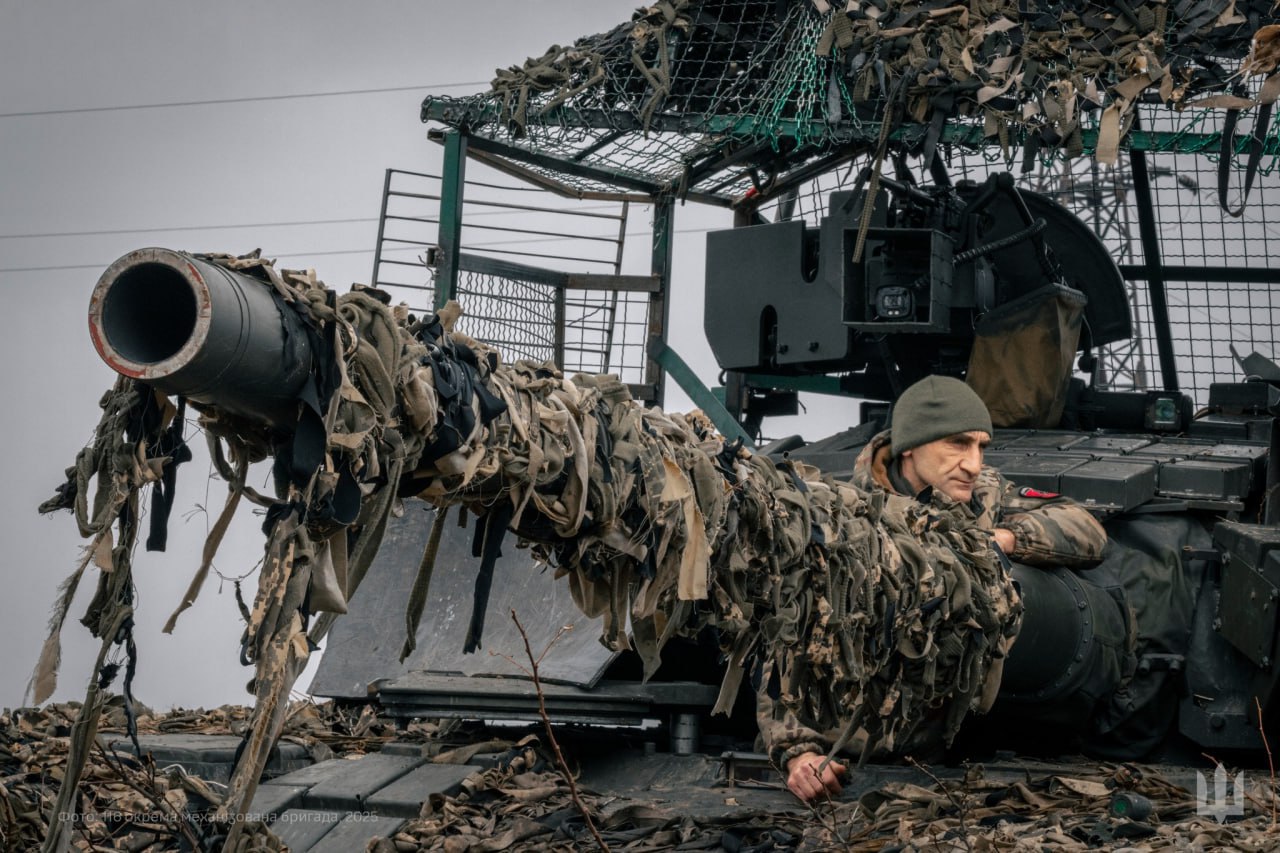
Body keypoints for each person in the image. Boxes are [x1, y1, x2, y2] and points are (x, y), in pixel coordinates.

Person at [762, 374, 1109, 802]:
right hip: (844, 756)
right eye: (958, 444)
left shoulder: (983, 496)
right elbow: (787, 645)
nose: (973, 464)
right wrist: (799, 753)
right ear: (911, 444)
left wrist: (1006, 539)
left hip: (948, 758)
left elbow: (1085, 529)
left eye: (981, 447)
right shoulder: (842, 517)